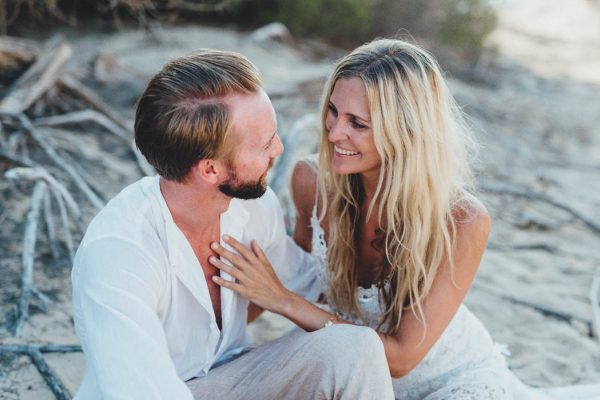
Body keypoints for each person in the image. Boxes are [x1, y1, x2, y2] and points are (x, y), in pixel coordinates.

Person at [208, 39, 565, 399]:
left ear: (407, 131)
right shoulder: (312, 182)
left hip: (449, 379)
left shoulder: (462, 219)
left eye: (357, 123)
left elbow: (402, 358)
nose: (333, 134)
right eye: (332, 111)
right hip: (349, 374)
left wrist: (283, 301)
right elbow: (295, 280)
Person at [71, 49, 395, 399]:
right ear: (210, 170)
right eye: (265, 143)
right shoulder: (119, 253)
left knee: (355, 349)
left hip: (231, 376)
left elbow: (306, 279)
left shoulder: (252, 207)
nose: (279, 149)